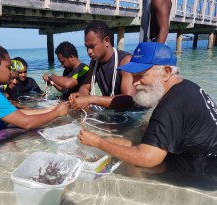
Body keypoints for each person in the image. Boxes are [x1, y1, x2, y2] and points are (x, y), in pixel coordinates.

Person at [78, 42, 217, 168]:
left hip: (205, 167)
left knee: (131, 169)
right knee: (133, 138)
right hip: (204, 154)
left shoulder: (170, 106)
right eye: (133, 76)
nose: (134, 83)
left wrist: (98, 143)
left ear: (166, 73)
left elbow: (148, 158)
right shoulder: (186, 87)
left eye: (141, 76)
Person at [69, 20, 136, 111]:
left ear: (106, 41)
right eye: (86, 47)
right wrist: (81, 96)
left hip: (132, 114)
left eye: (92, 46)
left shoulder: (125, 61)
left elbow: (129, 100)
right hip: (113, 111)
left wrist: (91, 99)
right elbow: (86, 86)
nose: (89, 51)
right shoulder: (94, 62)